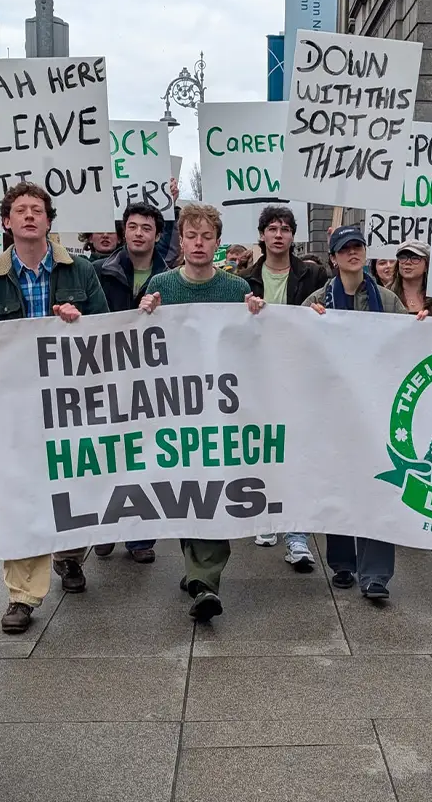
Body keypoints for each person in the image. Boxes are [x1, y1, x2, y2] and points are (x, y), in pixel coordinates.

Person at [0, 182, 110, 635]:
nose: (28, 217)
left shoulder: (81, 272)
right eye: (19, 210)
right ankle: (21, 596)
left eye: (36, 210)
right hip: (19, 407)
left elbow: (107, 333)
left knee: (75, 482)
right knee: (21, 490)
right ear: (7, 222)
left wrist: (80, 324)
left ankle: (68, 554)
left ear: (47, 220)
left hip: (72, 401)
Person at [139, 203, 265, 622]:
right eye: (191, 236)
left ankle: (204, 581)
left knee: (214, 489)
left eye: (207, 236)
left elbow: (253, 346)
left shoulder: (234, 289)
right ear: (181, 241)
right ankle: (196, 566)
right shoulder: (161, 286)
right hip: (174, 411)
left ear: (217, 241)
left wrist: (257, 318)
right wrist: (144, 315)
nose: (198, 243)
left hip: (221, 411)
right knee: (184, 490)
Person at [302, 226, 428, 602]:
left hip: (377, 409)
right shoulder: (315, 300)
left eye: (358, 247)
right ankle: (343, 562)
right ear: (334, 257)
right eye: (345, 249)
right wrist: (311, 321)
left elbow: (406, 344)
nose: (353, 253)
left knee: (378, 486)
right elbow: (300, 346)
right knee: (339, 484)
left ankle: (375, 575)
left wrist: (418, 326)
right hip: (333, 411)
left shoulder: (386, 300)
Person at [239, 205, 327, 566]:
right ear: (261, 235)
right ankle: (267, 515)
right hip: (258, 375)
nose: (278, 234)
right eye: (272, 228)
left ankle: (298, 534)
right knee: (263, 447)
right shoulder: (244, 280)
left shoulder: (313, 275)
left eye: (285, 228)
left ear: (293, 236)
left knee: (299, 452)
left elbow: (331, 311)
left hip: (301, 373)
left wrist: (323, 311)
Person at [90, 199, 177, 564]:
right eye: (133, 227)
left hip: (153, 382)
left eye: (147, 228)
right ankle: (107, 527)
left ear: (158, 236)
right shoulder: (97, 271)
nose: (139, 233)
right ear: (123, 231)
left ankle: (141, 537)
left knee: (147, 456)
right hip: (108, 377)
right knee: (109, 455)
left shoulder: (172, 276)